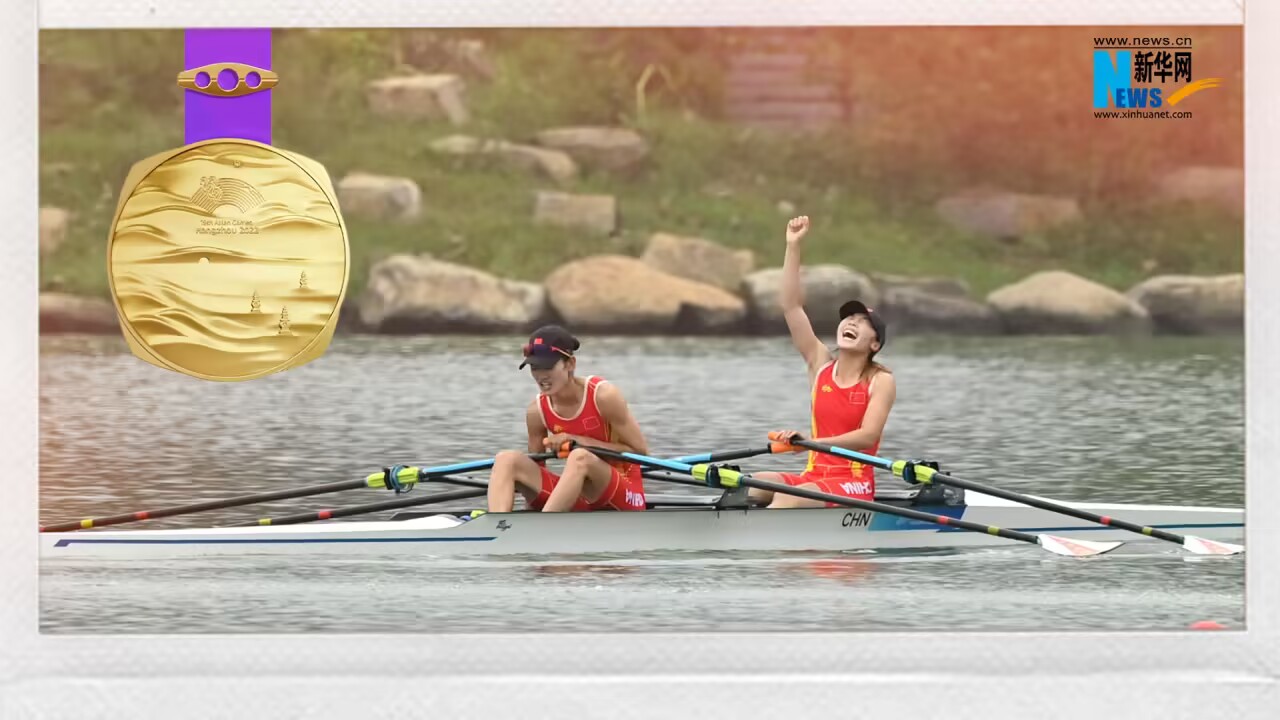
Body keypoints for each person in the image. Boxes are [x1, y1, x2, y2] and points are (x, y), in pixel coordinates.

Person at [750, 215, 897, 509]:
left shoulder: (881, 380)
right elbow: (791, 306)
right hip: (814, 476)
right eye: (849, 318)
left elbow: (868, 437)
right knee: (750, 485)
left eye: (862, 321)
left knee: (788, 497)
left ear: (875, 344)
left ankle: (765, 533)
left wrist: (811, 442)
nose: (851, 322)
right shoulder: (820, 366)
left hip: (854, 482)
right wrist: (793, 246)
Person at [486, 325, 651, 513]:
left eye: (548, 366)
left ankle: (544, 524)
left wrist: (577, 441)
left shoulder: (603, 396)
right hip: (577, 499)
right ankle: (499, 524)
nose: (541, 376)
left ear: (570, 364)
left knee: (580, 457)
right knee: (506, 459)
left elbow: (641, 453)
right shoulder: (536, 411)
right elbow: (536, 471)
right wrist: (530, 509)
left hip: (625, 493)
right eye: (535, 367)